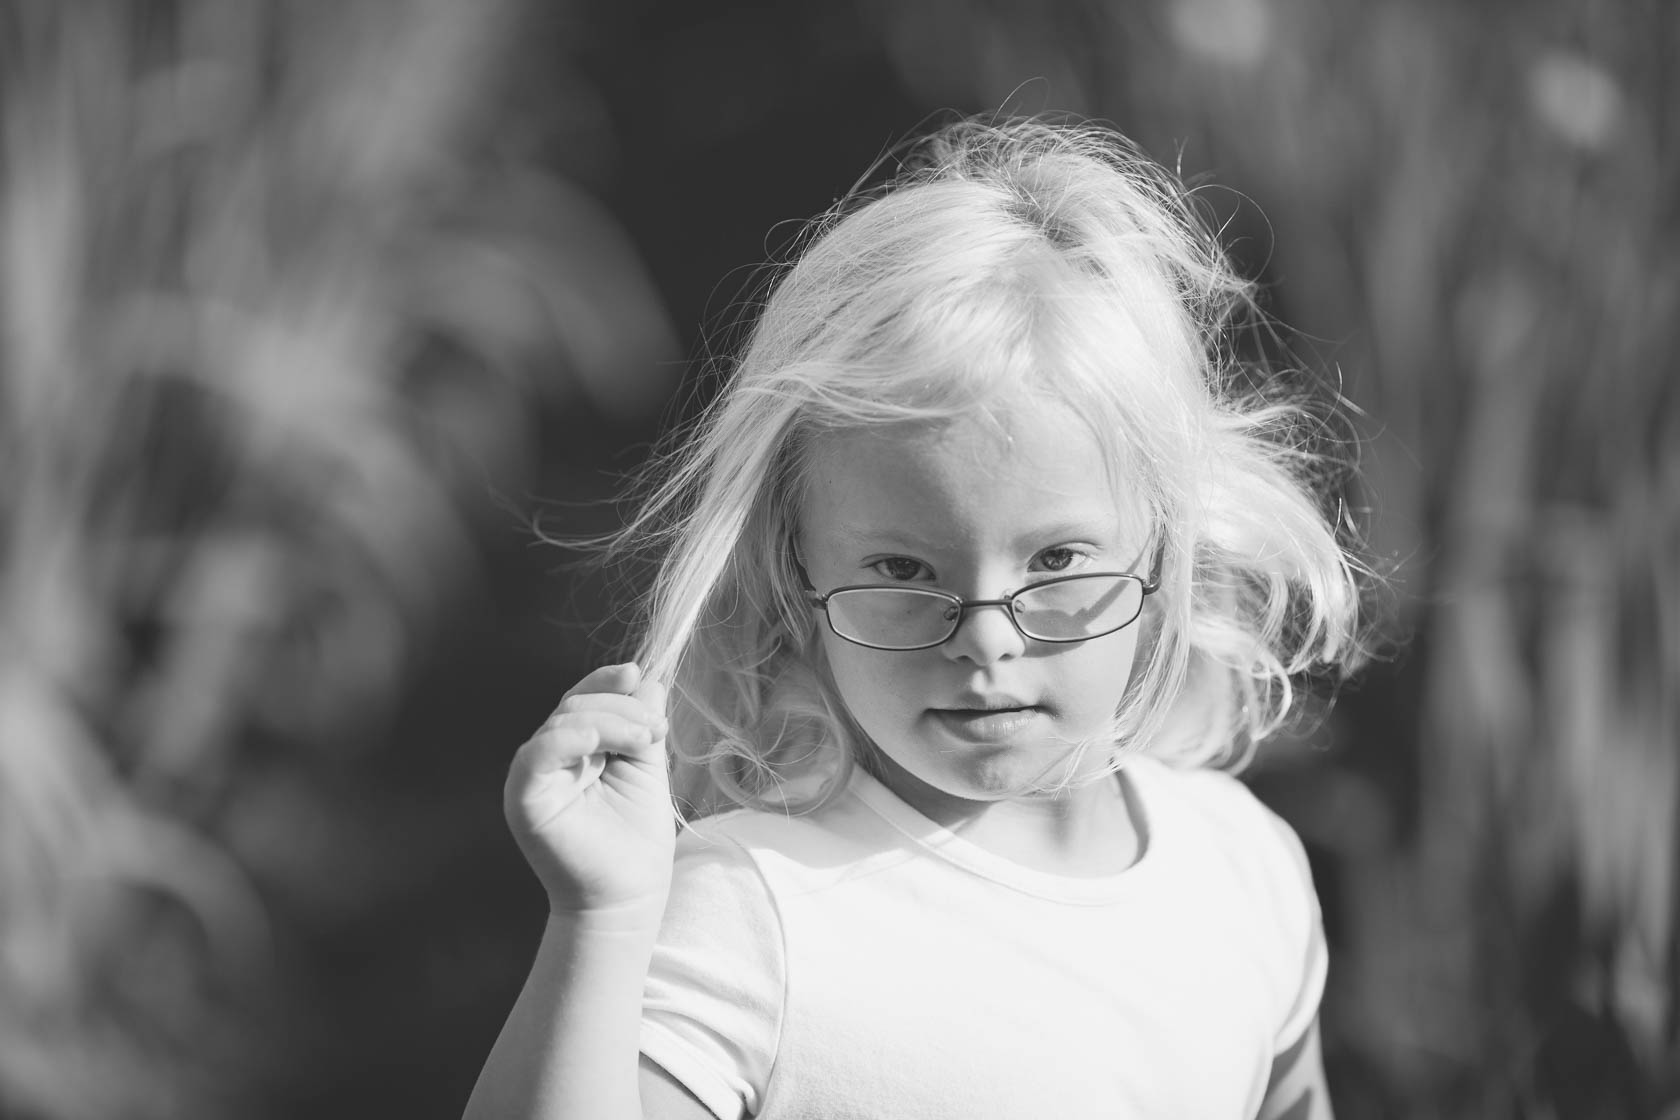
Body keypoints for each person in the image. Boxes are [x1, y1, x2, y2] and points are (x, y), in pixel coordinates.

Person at [463, 116, 1372, 1120]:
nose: (987, 636)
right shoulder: (758, 911)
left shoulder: (1241, 869)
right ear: (791, 570)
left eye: (1058, 558)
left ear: (1163, 545)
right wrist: (599, 916)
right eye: (904, 566)